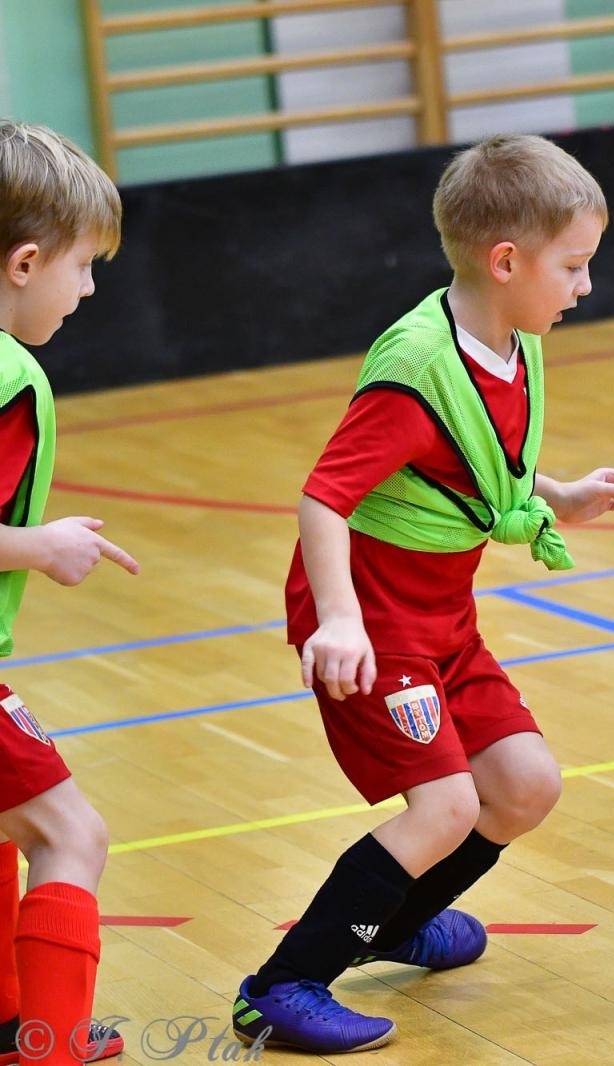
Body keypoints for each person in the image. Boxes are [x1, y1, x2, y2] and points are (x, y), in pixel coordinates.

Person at [231, 133, 614, 1053]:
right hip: (375, 621)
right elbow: (324, 496)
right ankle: (285, 983)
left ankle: (390, 920)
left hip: (439, 617)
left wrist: (557, 491)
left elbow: (480, 463)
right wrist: (340, 620)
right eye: (574, 266)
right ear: (506, 262)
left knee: (525, 785)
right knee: (448, 807)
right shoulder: (417, 364)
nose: (585, 286)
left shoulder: (512, 339)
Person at [0, 120, 137, 1065]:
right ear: (25, 260)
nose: (88, 289)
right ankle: (48, 1046)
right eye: (84, 266)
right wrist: (38, 546)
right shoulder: (11, 377)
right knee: (71, 834)